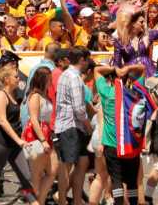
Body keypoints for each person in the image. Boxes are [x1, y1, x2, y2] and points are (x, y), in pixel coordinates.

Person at [0, 66, 37, 205]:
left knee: (26, 177)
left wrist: (20, 138)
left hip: (14, 144)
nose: (19, 79)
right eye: (16, 77)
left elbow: (15, 121)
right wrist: (18, 139)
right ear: (7, 79)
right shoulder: (1, 95)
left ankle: (35, 203)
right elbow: (2, 121)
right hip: (0, 143)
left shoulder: (14, 94)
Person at [92, 62, 145, 205]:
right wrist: (127, 69)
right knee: (132, 180)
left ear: (110, 78)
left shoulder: (106, 92)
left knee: (116, 179)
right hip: (130, 144)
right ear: (128, 79)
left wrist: (114, 69)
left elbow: (97, 70)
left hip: (111, 144)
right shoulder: (135, 93)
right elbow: (142, 69)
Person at [53, 47, 91, 205]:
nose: (88, 63)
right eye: (87, 60)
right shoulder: (74, 77)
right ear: (82, 60)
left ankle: (76, 200)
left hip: (72, 126)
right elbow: (79, 108)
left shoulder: (65, 75)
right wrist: (88, 125)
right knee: (66, 166)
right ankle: (62, 200)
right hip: (71, 127)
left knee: (82, 164)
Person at [24, 67, 56, 205]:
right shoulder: (35, 96)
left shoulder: (44, 95)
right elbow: (34, 119)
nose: (51, 81)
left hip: (47, 133)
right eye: (49, 78)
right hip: (38, 136)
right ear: (43, 79)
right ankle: (35, 201)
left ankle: (39, 201)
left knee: (52, 171)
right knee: (36, 176)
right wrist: (43, 140)